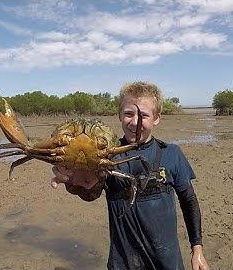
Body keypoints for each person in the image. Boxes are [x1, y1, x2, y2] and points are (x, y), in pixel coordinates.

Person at [50, 82, 210, 270]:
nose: (135, 122)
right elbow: (90, 194)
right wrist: (75, 183)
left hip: (167, 262)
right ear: (119, 115)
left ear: (157, 118)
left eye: (143, 115)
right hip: (122, 263)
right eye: (128, 114)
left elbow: (189, 200)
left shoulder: (171, 154)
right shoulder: (107, 154)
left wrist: (197, 248)